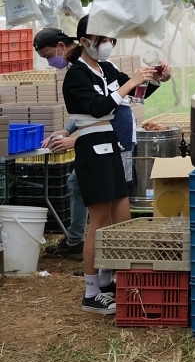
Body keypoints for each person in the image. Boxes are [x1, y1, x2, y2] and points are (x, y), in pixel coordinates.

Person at [63, 16, 169, 314]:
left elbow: (137, 95)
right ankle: (91, 290)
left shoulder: (106, 68)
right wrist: (131, 82)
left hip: (111, 144)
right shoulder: (77, 75)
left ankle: (109, 278)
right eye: (103, 39)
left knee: (121, 216)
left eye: (112, 39)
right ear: (84, 41)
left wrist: (155, 78)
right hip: (91, 145)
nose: (108, 44)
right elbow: (99, 107)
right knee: (97, 223)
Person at [33, 28, 84, 260]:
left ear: (62, 46)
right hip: (95, 139)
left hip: (108, 141)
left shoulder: (83, 68)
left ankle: (88, 248)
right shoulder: (77, 66)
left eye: (47, 56)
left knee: (105, 198)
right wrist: (67, 129)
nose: (50, 62)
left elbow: (104, 112)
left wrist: (74, 139)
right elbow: (85, 111)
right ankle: (76, 240)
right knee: (76, 182)